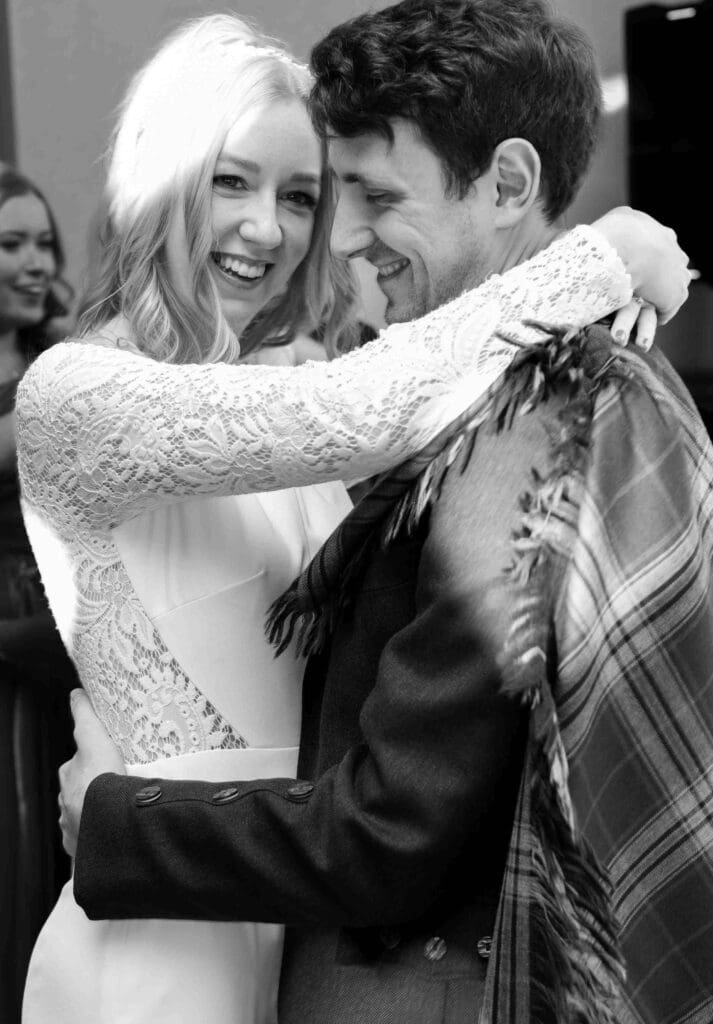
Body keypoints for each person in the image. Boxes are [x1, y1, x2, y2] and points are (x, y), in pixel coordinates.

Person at [21, 6, 695, 1024]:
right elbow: (350, 412)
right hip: (168, 930)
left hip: (287, 911)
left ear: (506, 182)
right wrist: (600, 254)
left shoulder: (384, 394)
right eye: (229, 180)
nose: (288, 232)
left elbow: (357, 402)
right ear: (155, 177)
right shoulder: (75, 390)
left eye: (310, 194)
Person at [0, 164, 78, 1024]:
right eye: (9, 243)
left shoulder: (63, 360)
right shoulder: (63, 378)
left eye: (42, 243)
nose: (33, 261)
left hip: (58, 631)